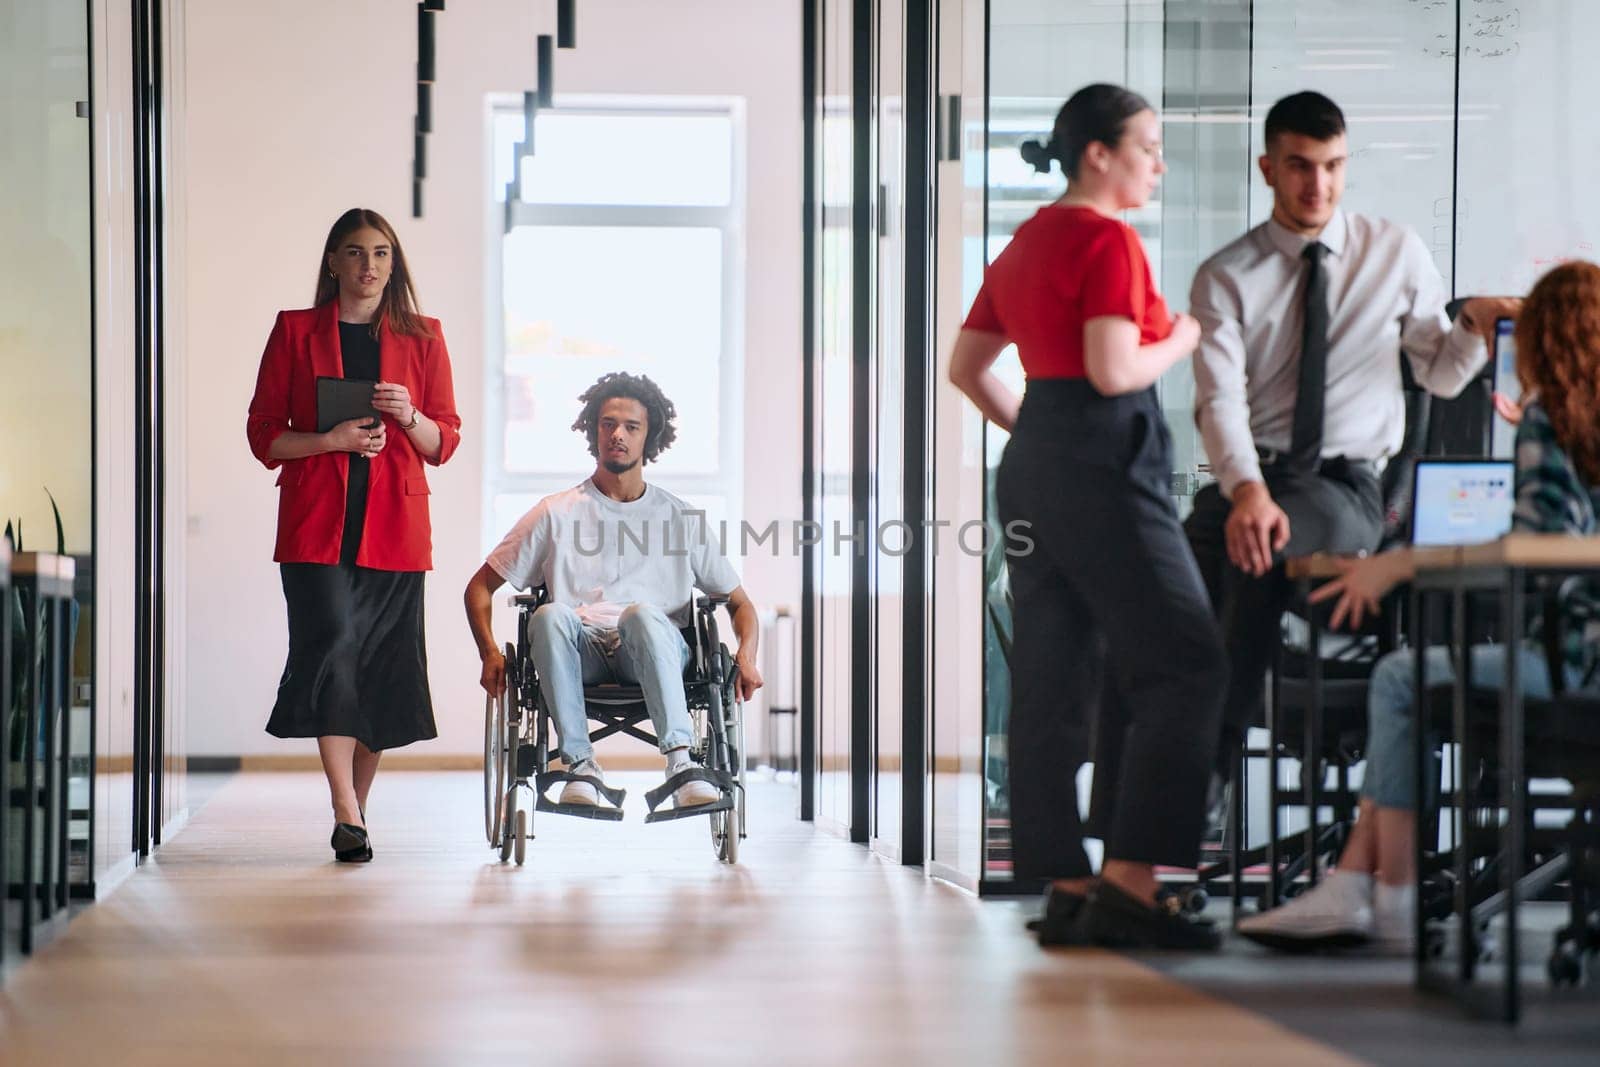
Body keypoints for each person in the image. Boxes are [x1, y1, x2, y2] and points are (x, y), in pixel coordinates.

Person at [1238, 259, 1600, 951]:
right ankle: (1356, 880)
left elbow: (1540, 542)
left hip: (1575, 663)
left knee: (1401, 676)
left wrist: (1401, 561)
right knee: (1418, 672)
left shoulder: (1553, 422)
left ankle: (1388, 894)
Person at [948, 83, 1226, 950]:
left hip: (1033, 468)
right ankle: (1132, 886)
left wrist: (1037, 429)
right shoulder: (1107, 238)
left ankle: (1067, 885)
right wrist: (1183, 338)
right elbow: (1114, 369)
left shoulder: (1029, 239)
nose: (1158, 161)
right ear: (1098, 153)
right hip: (1106, 463)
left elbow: (967, 367)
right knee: (1187, 661)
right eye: (1147, 144)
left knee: (1049, 680)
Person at [1185, 91, 1520, 783]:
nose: (1319, 185)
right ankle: (1133, 821)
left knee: (1258, 552)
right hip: (1250, 478)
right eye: (1301, 166)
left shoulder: (1393, 252)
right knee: (1166, 591)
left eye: (1333, 166)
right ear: (1268, 168)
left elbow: (1442, 378)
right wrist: (1246, 490)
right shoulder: (1226, 274)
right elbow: (1219, 399)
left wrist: (1471, 327)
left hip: (1343, 486)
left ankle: (1201, 790)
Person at [246, 207, 462, 862]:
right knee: (334, 647)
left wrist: (410, 413)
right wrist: (331, 440)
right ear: (333, 262)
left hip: (396, 528)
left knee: (381, 670)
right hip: (316, 529)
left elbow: (443, 441)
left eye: (381, 253)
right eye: (355, 252)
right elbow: (264, 435)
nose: (368, 266)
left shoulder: (425, 337)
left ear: (394, 264)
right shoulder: (295, 331)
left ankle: (356, 813)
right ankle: (343, 804)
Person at [464, 372, 764, 814]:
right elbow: (479, 588)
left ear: (650, 437)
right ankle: (580, 767)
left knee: (641, 615)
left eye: (631, 426)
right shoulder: (555, 513)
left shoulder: (679, 517)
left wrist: (746, 656)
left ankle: (681, 766)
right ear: (593, 432)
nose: (617, 435)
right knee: (548, 615)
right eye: (607, 424)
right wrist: (489, 652)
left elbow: (740, 604)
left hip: (653, 646)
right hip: (579, 651)